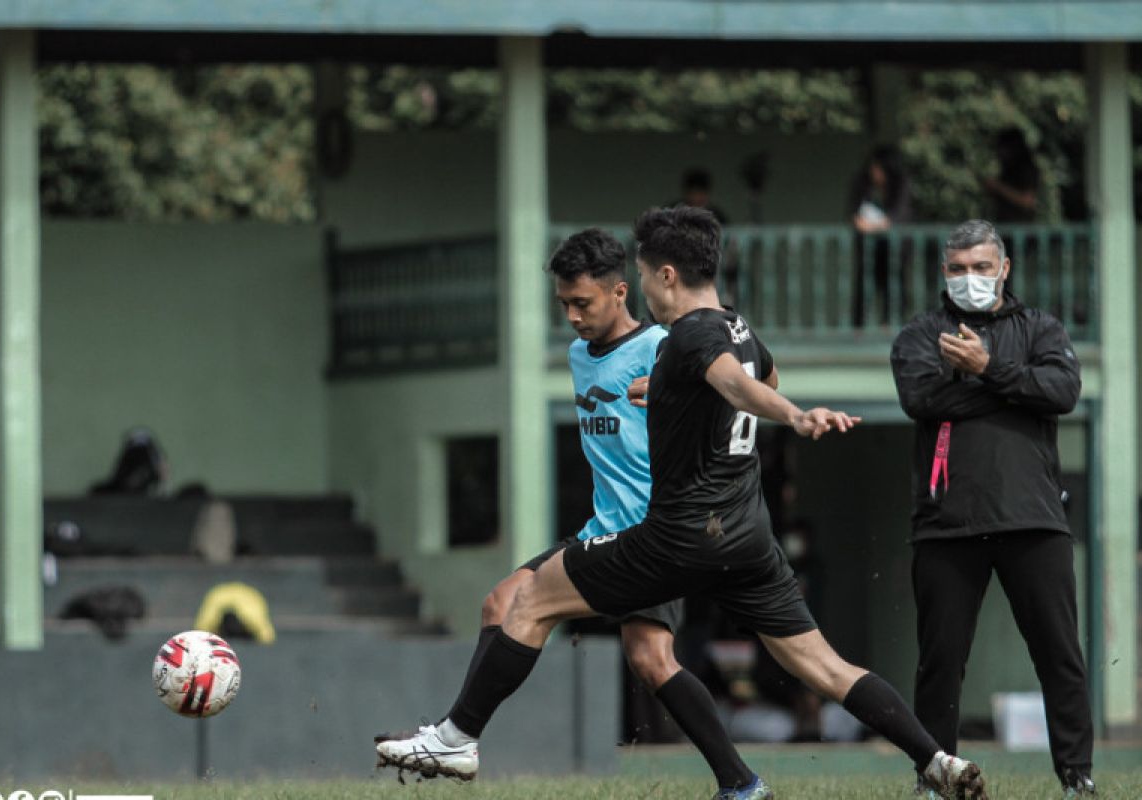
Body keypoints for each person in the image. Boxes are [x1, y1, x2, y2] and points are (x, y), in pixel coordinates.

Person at [376, 207, 987, 800]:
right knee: (822, 665)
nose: (642, 288)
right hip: (745, 533)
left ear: (662, 275)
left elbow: (737, 385)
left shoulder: (688, 335)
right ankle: (935, 760)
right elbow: (754, 378)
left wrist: (796, 417)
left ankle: (457, 738)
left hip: (674, 533)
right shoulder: (735, 327)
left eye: (641, 275)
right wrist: (675, 393)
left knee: (531, 601)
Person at [379, 227, 762, 792]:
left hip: (652, 532)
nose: (574, 317)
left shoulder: (665, 347)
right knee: (535, 614)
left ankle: (457, 738)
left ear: (619, 293)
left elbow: (729, 392)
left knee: (591, 634)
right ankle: (741, 783)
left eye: (583, 303)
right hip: (603, 529)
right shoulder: (579, 354)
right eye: (564, 306)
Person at [890, 219, 1094, 798]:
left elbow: (1061, 392)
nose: (969, 279)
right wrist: (1010, 387)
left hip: (1035, 519)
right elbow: (920, 399)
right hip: (946, 524)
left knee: (1060, 657)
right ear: (943, 272)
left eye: (981, 267)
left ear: (1004, 268)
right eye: (957, 269)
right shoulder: (920, 333)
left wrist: (986, 369)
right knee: (940, 665)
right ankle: (935, 779)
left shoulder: (1041, 328)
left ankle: (1078, 777)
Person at [848, 145, 912, 326]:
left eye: (878, 168)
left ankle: (889, 325)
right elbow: (854, 213)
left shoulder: (901, 184)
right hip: (870, 248)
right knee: (864, 285)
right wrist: (864, 224)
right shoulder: (863, 184)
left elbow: (899, 216)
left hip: (895, 248)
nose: (874, 172)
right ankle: (858, 327)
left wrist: (875, 226)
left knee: (893, 287)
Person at [982, 127, 1039, 224]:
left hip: (1022, 231)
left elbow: (1027, 201)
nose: (999, 152)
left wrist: (997, 186)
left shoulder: (1027, 170)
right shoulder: (1007, 170)